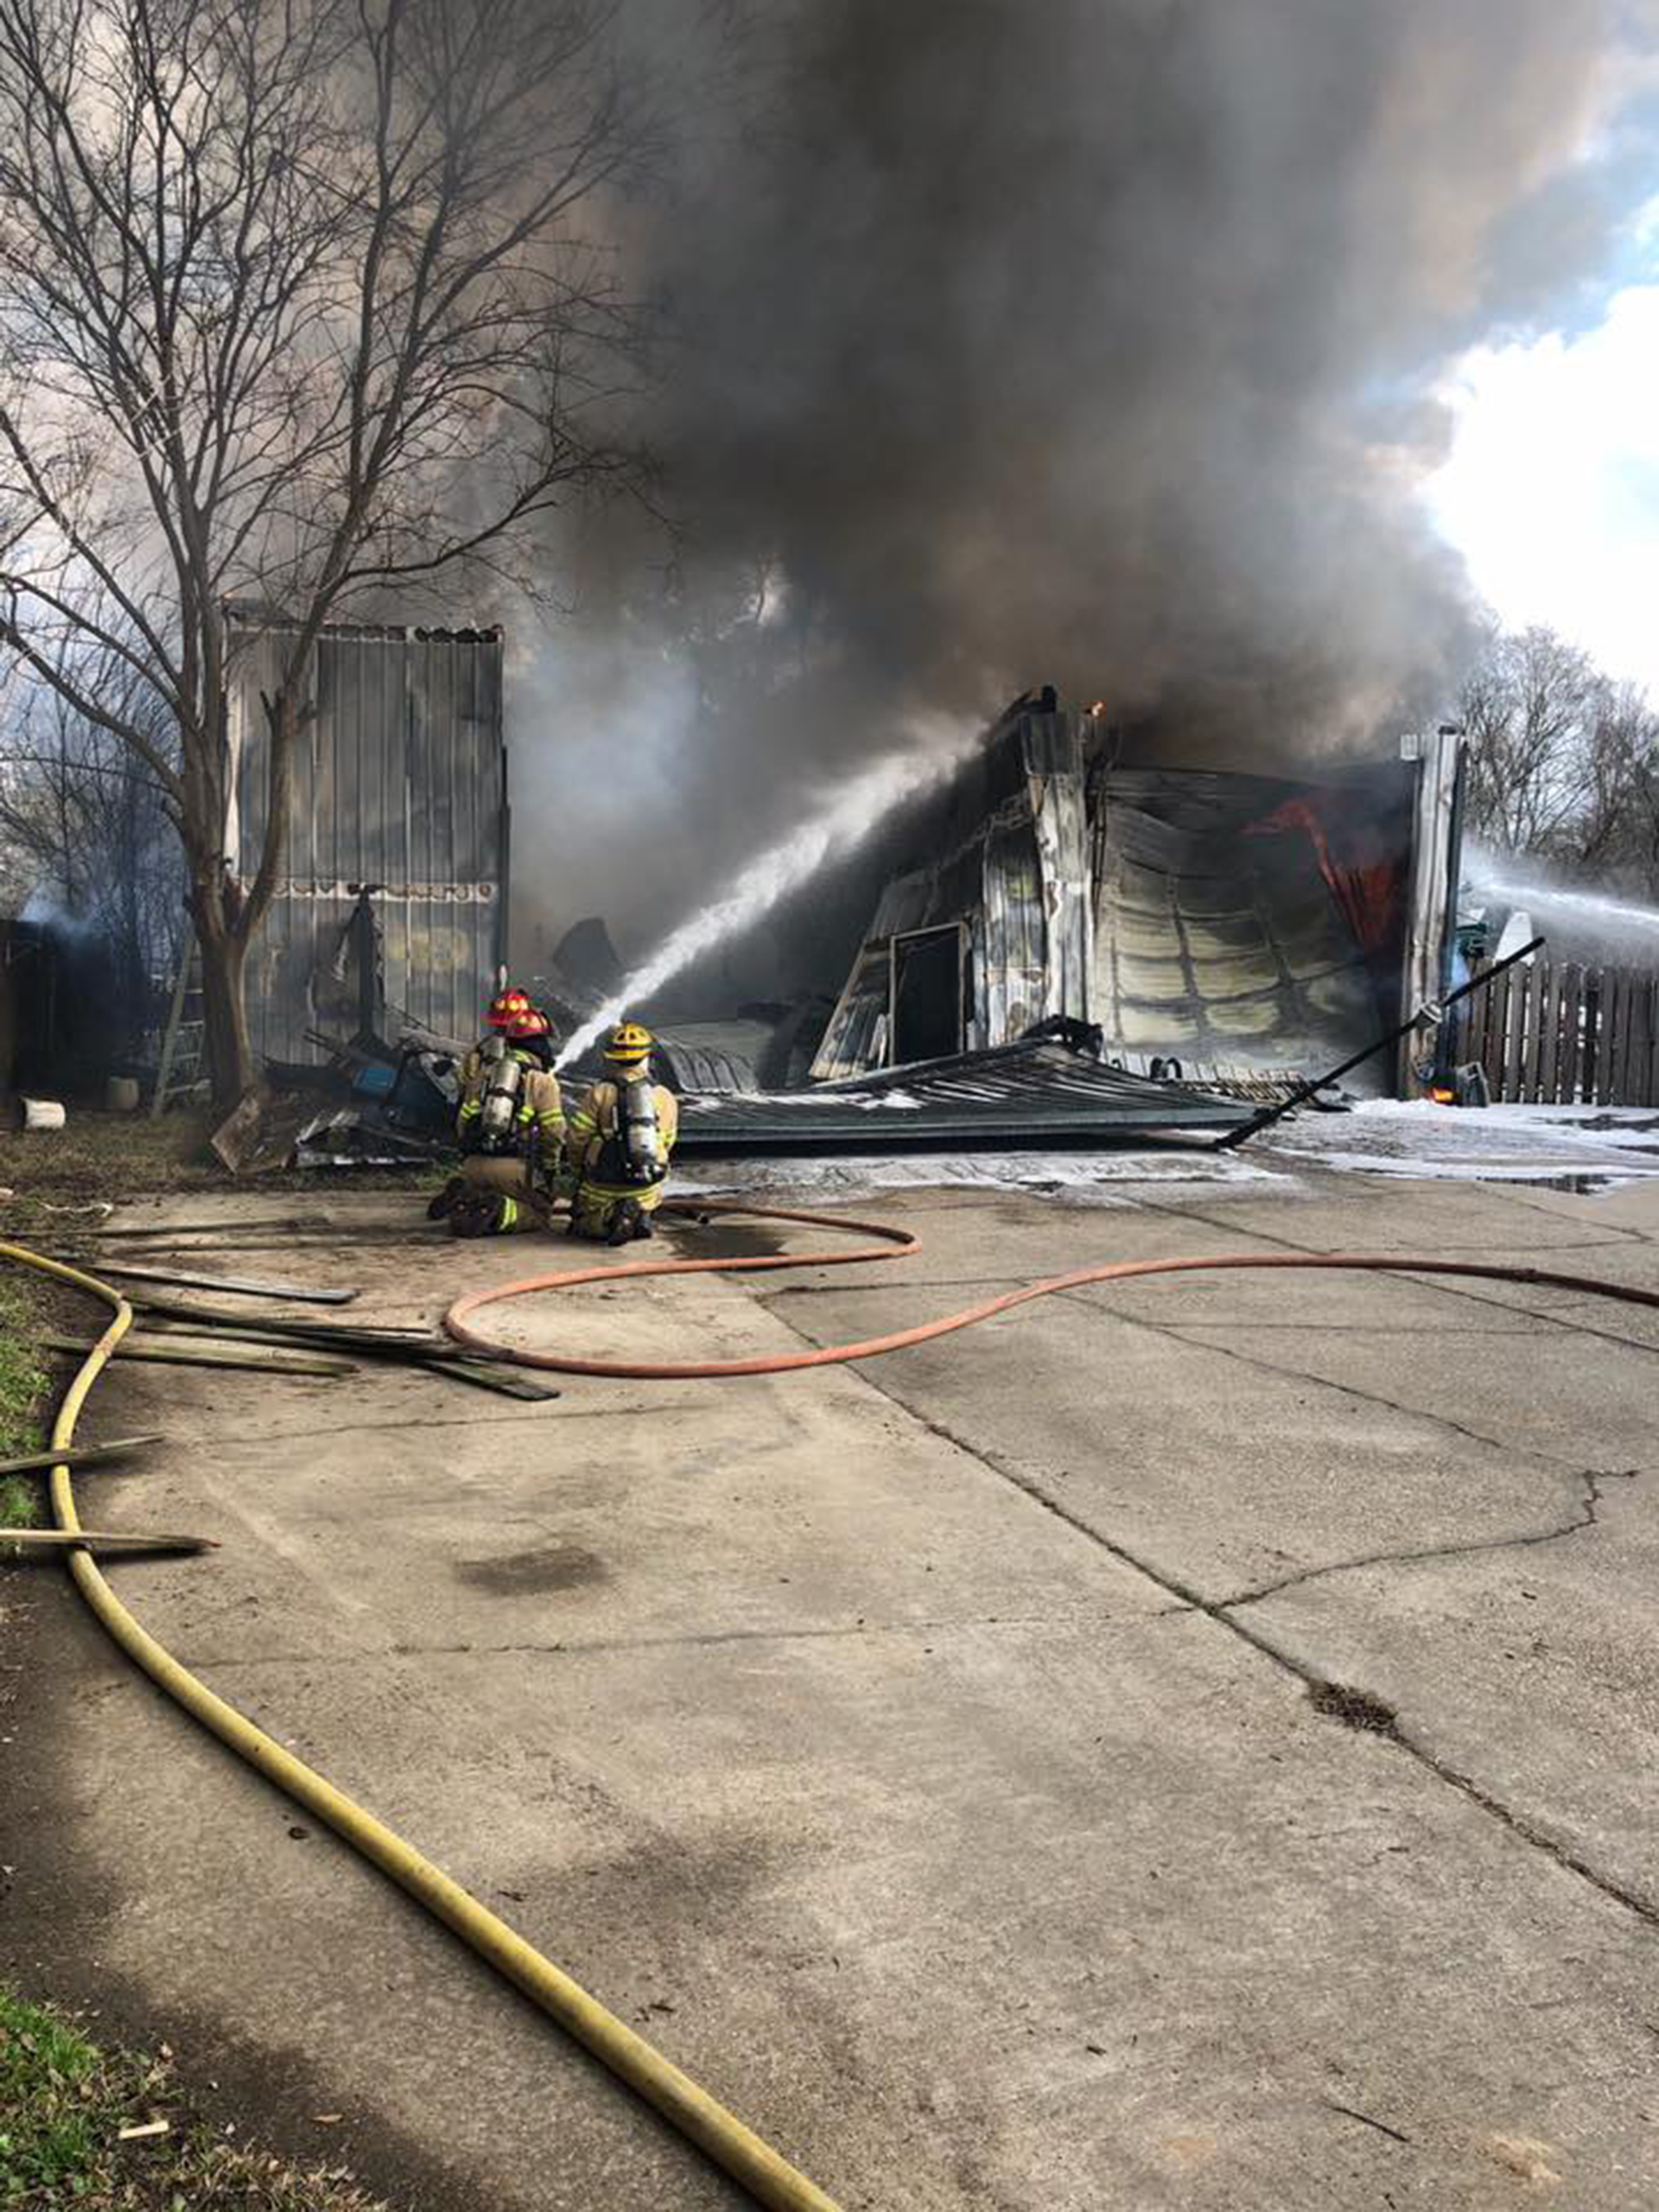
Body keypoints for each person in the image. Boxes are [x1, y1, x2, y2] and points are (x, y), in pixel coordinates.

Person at [429, 992, 566, 1236]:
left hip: (473, 1165)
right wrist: (549, 1171)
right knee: (540, 1213)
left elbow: (463, 1122)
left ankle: (465, 1196)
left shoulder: (484, 1074)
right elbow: (553, 1134)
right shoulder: (543, 1081)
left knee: (483, 1190)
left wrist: (468, 1157)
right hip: (514, 1169)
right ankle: (501, 1211)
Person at [564, 1020, 678, 1244]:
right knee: (648, 1191)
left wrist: (578, 1170)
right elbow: (667, 1142)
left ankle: (609, 1218)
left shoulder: (599, 1093)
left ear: (612, 1059)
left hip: (602, 1183)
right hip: (646, 1184)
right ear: (648, 1057)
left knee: (581, 1228)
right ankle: (639, 1214)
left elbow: (578, 1138)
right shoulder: (664, 1096)